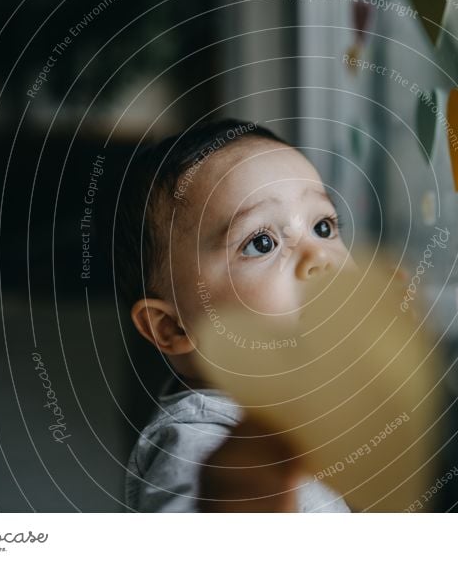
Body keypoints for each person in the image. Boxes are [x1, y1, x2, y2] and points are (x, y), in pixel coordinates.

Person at [115, 119, 355, 512]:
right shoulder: (198, 448)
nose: (319, 257)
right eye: (262, 243)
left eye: (323, 226)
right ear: (173, 327)